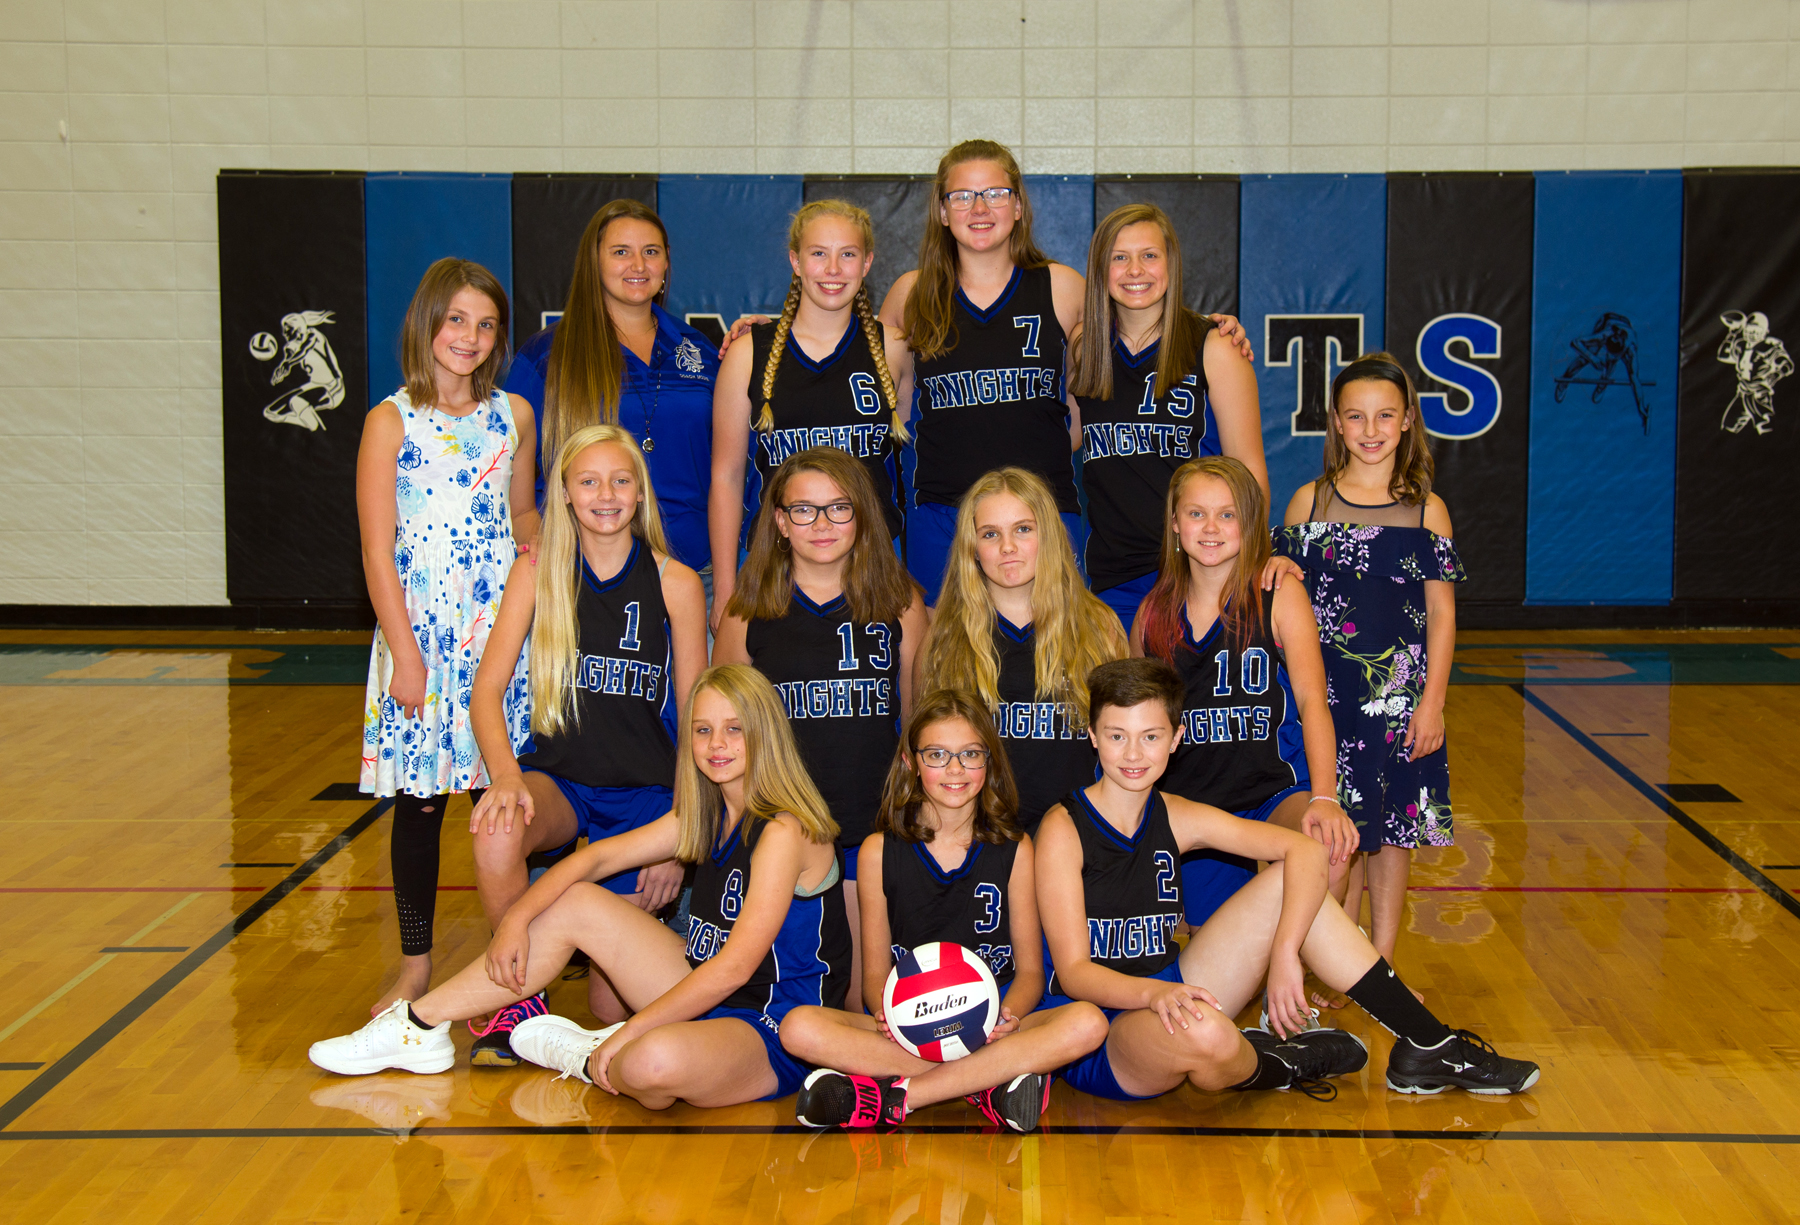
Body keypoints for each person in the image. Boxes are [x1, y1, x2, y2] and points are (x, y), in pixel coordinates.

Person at [309, 665, 853, 1113]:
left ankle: (591, 1050)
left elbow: (735, 968)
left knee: (648, 1066)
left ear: (765, 735)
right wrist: (516, 920)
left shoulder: (784, 829)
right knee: (575, 902)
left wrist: (630, 1030)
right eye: (703, 729)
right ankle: (419, 1025)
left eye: (734, 729)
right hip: (698, 986)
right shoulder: (707, 813)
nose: (716, 745)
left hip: (772, 1025)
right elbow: (597, 858)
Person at [1033, 657, 1540, 1101]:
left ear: (1176, 738)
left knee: (1293, 886)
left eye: (1150, 736)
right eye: (1117, 736)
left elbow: (1303, 850)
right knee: (1208, 1038)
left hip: (1173, 989)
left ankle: (1430, 1045)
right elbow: (1074, 972)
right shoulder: (1064, 828)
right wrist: (1152, 997)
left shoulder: (1176, 815)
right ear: (1094, 736)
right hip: (1099, 1025)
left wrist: (1284, 954)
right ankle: (1283, 1063)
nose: (1133, 754)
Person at [877, 142, 1253, 604]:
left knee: (1054, 659)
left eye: (995, 193)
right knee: (943, 657)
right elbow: (852, 356)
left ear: (1018, 205)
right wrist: (770, 329)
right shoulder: (910, 295)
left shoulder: (1061, 286)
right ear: (941, 209)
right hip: (942, 514)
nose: (979, 208)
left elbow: (1135, 325)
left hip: (1045, 511)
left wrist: (1212, 327)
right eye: (962, 196)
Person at [459, 425, 708, 1063]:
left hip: (643, 797)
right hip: (561, 784)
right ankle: (516, 999)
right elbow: (486, 691)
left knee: (610, 1007)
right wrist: (507, 779)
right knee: (495, 826)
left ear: (641, 492)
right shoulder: (538, 571)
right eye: (588, 481)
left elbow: (698, 722)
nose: (606, 494)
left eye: (621, 480)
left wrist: (681, 837)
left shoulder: (674, 582)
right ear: (565, 493)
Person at [777, 690, 1108, 1132]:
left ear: (989, 762)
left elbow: (1030, 972)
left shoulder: (1015, 848)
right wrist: (890, 1018)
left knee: (1087, 1022)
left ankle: (898, 1096)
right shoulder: (878, 851)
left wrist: (1003, 1019)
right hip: (912, 1027)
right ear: (912, 763)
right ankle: (986, 1082)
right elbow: (874, 979)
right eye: (937, 754)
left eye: (970, 754)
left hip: (994, 1024)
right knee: (797, 1027)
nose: (955, 769)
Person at [354, 257, 538, 1015]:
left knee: (506, 798)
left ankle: (520, 953)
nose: (470, 336)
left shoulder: (515, 415)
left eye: (486, 324)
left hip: (500, 628)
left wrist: (540, 544)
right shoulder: (389, 420)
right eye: (457, 319)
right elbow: (375, 546)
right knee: (422, 806)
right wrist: (405, 653)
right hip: (423, 633)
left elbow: (521, 512)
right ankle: (416, 965)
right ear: (427, 322)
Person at [713, 447, 928, 1008]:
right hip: (782, 832)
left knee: (863, 998)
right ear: (780, 522)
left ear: (862, 515)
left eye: (838, 508)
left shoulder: (901, 605)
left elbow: (919, 725)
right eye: (804, 511)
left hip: (868, 828)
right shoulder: (747, 612)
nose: (823, 524)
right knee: (789, 993)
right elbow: (721, 733)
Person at [1279, 355, 1463, 970]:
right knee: (1335, 837)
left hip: (1396, 703)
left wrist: (1432, 702)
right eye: (1356, 416)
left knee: (1391, 833)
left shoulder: (1426, 510)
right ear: (1335, 422)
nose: (1371, 428)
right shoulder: (1309, 503)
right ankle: (1339, 959)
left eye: (1385, 415)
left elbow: (1441, 615)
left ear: (1408, 419)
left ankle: (1380, 963)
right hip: (1324, 700)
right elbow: (1281, 594)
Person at [1131, 457, 1355, 932]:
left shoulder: (1277, 594)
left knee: (1329, 854)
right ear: (1174, 523)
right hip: (1195, 805)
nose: (1211, 528)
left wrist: (1326, 799)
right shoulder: (1152, 615)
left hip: (1273, 792)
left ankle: (1287, 983)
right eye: (1196, 514)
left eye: (1227, 515)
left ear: (1249, 524)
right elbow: (1138, 726)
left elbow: (1314, 701)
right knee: (1217, 947)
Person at [709, 200, 912, 630]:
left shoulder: (894, 348)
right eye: (818, 253)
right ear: (795, 261)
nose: (833, 268)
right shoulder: (749, 352)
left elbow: (911, 467)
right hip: (773, 563)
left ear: (868, 262)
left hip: (871, 563)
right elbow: (725, 477)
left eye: (848, 254)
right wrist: (725, 588)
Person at [1069, 203, 1266, 633]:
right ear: (1100, 269)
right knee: (1121, 699)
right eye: (1119, 257)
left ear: (1171, 263)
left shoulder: (1214, 346)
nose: (1134, 269)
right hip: (1114, 578)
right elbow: (1058, 437)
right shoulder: (1086, 349)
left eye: (1149, 255)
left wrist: (1247, 569)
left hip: (1197, 570)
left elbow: (1249, 473)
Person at [505, 199, 721, 585]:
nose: (638, 266)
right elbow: (506, 468)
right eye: (621, 252)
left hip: (697, 574)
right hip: (589, 578)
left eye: (650, 252)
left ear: (667, 261)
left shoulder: (699, 350)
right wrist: (533, 534)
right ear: (594, 259)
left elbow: (732, 465)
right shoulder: (546, 356)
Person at [916, 467, 1127, 830]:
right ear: (972, 547)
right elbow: (923, 749)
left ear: (1049, 536)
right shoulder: (944, 638)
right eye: (990, 533)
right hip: (983, 840)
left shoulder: (1098, 626)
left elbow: (1125, 744)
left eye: (1023, 529)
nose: (1007, 546)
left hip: (1077, 834)